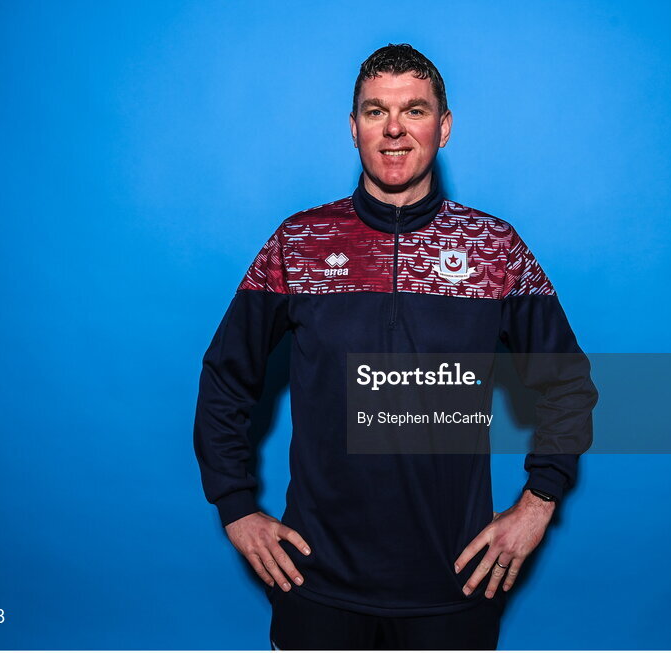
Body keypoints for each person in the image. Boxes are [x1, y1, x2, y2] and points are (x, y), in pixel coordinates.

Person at [193, 43, 598, 650]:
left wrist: (539, 501)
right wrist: (235, 506)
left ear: (444, 125)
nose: (394, 129)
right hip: (317, 583)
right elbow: (227, 377)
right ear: (353, 127)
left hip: (454, 586)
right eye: (376, 111)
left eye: (414, 110)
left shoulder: (495, 248)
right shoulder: (298, 244)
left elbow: (566, 382)